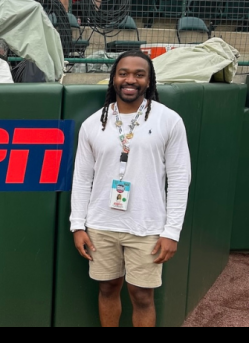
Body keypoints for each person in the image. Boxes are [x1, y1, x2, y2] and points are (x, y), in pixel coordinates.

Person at [69, 49, 192, 327]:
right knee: (108, 288)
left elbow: (180, 178)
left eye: (139, 74)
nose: (130, 80)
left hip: (147, 226)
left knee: (142, 296)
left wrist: (172, 231)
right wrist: (78, 225)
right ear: (114, 78)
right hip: (101, 224)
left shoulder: (168, 120)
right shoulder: (93, 123)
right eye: (123, 73)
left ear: (149, 81)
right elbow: (81, 178)